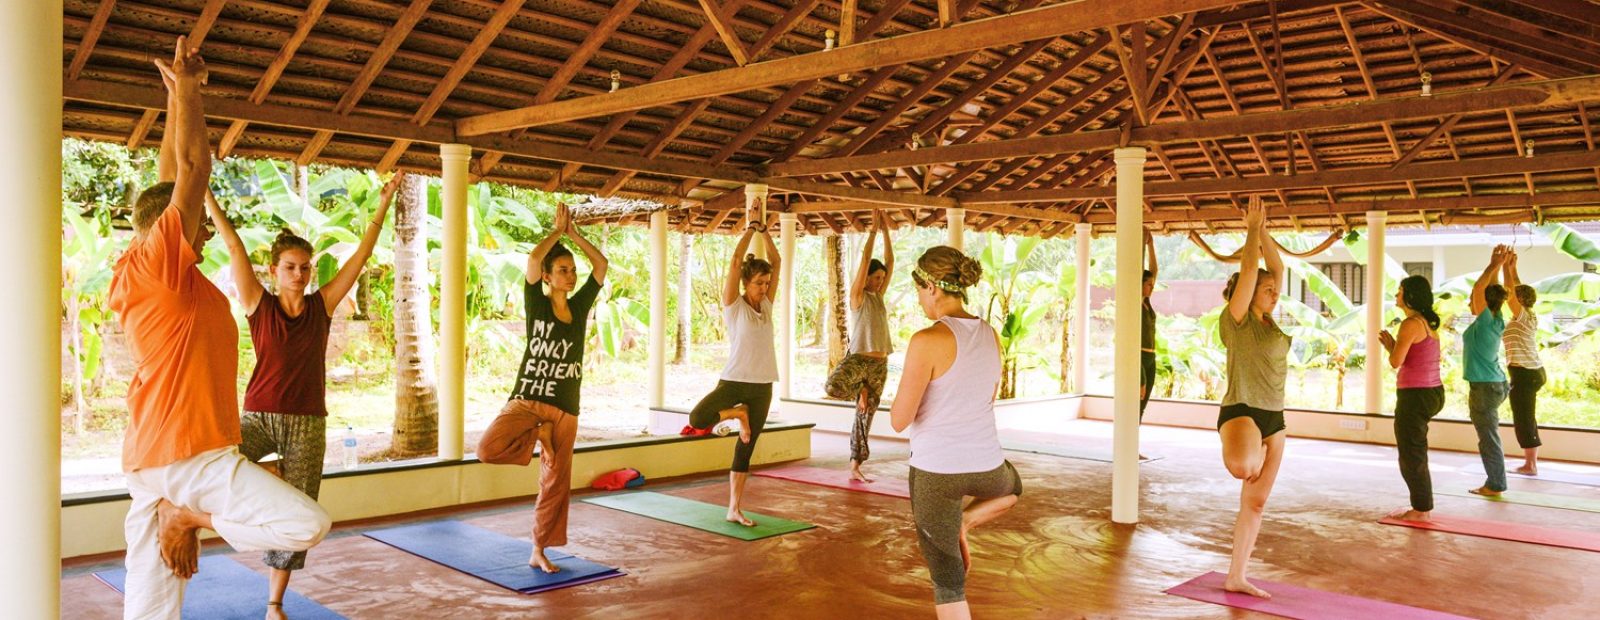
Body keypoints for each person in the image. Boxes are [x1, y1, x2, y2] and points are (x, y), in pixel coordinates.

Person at [108, 39, 329, 620]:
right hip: (193, 456)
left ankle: (178, 514)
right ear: (169, 230)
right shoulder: (160, 261)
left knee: (150, 602)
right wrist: (190, 87)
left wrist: (173, 101)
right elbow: (190, 170)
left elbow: (165, 180)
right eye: (197, 224)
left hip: (153, 456)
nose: (204, 233)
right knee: (305, 522)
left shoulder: (150, 266)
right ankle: (185, 515)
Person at [209, 170, 400, 611]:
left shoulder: (323, 306)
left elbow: (362, 256)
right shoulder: (259, 304)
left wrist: (383, 203)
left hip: (308, 422)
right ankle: (268, 478)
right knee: (220, 466)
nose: (298, 274)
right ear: (274, 271)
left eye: (305, 268)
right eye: (290, 268)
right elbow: (234, 244)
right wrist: (207, 198)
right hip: (259, 414)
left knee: (299, 510)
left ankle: (274, 602)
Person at [889, 246, 1021, 620]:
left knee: (948, 584)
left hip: (936, 474)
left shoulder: (927, 339)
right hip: (988, 468)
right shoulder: (990, 334)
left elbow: (900, 419)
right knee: (1014, 488)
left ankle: (956, 524)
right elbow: (988, 396)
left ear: (931, 287)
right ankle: (964, 522)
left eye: (919, 290)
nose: (919, 299)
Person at [477, 203, 608, 572]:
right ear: (548, 277)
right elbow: (535, 258)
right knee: (487, 449)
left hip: (565, 407)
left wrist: (576, 235)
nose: (571, 274)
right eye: (562, 270)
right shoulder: (536, 302)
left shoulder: (580, 307)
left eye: (571, 270)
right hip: (527, 399)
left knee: (554, 483)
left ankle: (539, 549)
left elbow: (600, 266)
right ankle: (538, 435)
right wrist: (557, 232)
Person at [686, 217, 780, 526]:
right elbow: (737, 260)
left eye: (766, 283)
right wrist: (752, 227)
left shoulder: (766, 305)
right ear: (745, 283)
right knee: (698, 419)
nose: (764, 288)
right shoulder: (733, 305)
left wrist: (766, 232)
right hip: (734, 381)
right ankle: (737, 415)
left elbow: (777, 260)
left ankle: (734, 508)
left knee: (746, 447)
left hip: (762, 385)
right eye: (758, 283)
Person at [1215, 198, 1287, 599]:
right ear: (1247, 294)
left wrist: (1264, 233)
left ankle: (1236, 575)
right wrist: (1251, 230)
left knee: (1255, 504)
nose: (1275, 293)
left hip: (1275, 418)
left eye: (1275, 291)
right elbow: (1251, 270)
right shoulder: (1237, 319)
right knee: (1244, 467)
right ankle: (1254, 450)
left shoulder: (1271, 321)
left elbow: (1277, 268)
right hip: (1242, 410)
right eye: (1268, 290)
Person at [825, 210, 895, 483]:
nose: (878, 282)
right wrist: (874, 231)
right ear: (866, 278)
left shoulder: (878, 297)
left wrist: (887, 229)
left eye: (881, 279)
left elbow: (890, 260)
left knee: (865, 416)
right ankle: (860, 389)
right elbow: (866, 259)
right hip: (858, 360)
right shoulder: (858, 297)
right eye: (875, 278)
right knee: (832, 386)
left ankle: (855, 466)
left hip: (879, 364)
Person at [1380, 275, 1445, 522]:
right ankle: (1422, 505)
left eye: (1399, 291)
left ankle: (1420, 509)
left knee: (1411, 454)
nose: (1396, 295)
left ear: (1409, 296)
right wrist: (1393, 346)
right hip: (1432, 392)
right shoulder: (1426, 323)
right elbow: (1411, 357)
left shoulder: (1410, 324)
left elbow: (1396, 361)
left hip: (1415, 395)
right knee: (1415, 451)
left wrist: (1391, 349)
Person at [1464, 246, 1512, 497]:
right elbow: (1492, 291)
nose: (1470, 301)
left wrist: (1493, 265)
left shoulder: (1485, 322)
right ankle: (1496, 481)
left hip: (1485, 387)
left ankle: (1495, 484)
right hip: (1492, 384)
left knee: (1488, 438)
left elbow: (1479, 290)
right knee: (1489, 436)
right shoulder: (1495, 318)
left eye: (1473, 299)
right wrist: (1500, 266)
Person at [1502, 249, 1546, 475]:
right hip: (1529, 372)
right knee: (1526, 416)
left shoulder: (1523, 316)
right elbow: (1515, 290)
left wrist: (1502, 266)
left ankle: (1530, 465)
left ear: (1520, 301)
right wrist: (1512, 268)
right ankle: (1531, 463)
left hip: (1525, 374)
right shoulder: (1527, 314)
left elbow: (1510, 294)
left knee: (1524, 418)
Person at [1140, 229, 1159, 418]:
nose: (1152, 287)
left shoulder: (1146, 302)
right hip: (1139, 357)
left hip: (1151, 358)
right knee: (1138, 398)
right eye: (1148, 284)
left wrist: (1151, 244)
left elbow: (1154, 271)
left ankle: (1132, 445)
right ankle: (1128, 446)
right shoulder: (1136, 302)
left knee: (1143, 403)